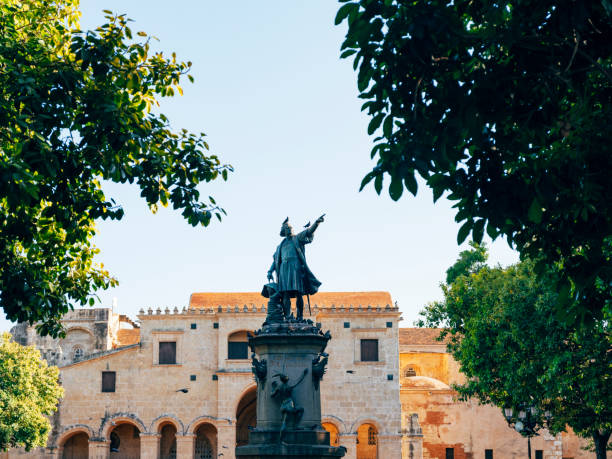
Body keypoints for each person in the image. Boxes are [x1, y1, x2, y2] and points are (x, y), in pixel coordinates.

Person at [267, 215, 324, 320]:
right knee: (285, 294)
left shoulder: (297, 238)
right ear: (283, 231)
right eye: (287, 228)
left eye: (290, 228)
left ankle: (300, 316)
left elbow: (308, 232)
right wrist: (270, 271)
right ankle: (287, 316)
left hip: (295, 268)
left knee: (299, 293)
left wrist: (317, 223)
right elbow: (275, 260)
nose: (289, 229)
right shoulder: (280, 246)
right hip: (283, 269)